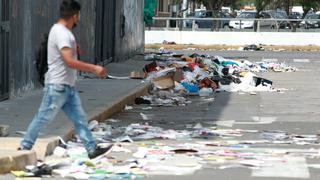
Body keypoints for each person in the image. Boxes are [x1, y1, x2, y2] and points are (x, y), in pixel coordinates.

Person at [19, 0, 112, 159]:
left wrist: (75, 50)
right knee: (43, 117)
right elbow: (69, 61)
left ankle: (91, 149)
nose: (78, 19)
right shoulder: (61, 32)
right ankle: (25, 146)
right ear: (74, 15)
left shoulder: (64, 32)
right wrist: (94, 68)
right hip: (57, 86)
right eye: (78, 15)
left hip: (66, 86)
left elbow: (68, 56)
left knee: (80, 119)